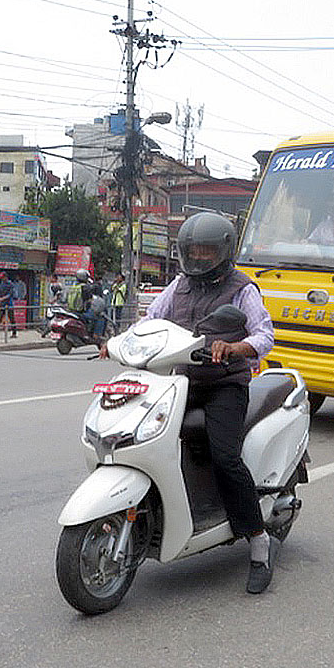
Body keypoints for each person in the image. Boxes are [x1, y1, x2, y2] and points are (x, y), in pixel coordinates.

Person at [109, 212, 277, 594]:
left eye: (206, 251)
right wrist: (119, 342)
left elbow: (265, 335)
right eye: (192, 251)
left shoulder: (241, 289)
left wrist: (235, 347)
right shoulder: (178, 286)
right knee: (143, 437)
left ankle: (257, 540)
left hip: (224, 384)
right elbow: (150, 321)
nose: (199, 258)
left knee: (225, 456)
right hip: (180, 381)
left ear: (223, 252)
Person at [0, 271, 16, 338]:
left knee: (12, 319)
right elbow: (0, 293)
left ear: (6, 277)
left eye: (3, 277)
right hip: (2, 304)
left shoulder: (10, 284)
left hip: (9, 304)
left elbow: (10, 294)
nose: (2, 279)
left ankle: (14, 333)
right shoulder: (1, 284)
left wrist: (2, 298)